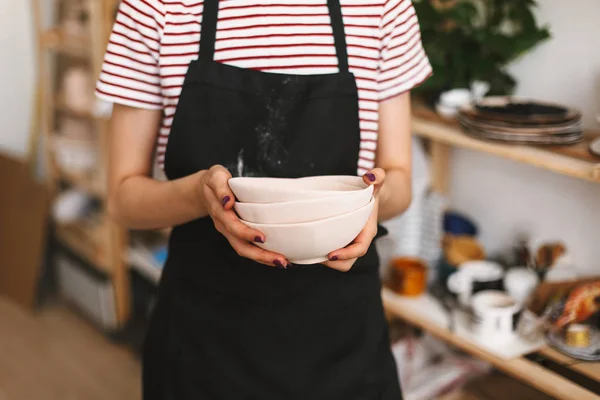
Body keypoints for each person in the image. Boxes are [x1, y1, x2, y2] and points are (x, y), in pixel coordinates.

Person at [97, 0, 431, 398]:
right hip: (203, 336)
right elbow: (122, 198)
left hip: (341, 336)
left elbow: (400, 180)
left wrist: (372, 198)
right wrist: (198, 193)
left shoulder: (382, 7)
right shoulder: (156, 8)